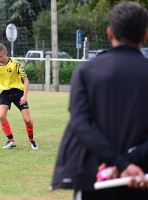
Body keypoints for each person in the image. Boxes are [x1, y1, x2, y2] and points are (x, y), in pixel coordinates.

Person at [51, 2, 148, 200]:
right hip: (140, 177)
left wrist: (119, 163)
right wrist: (129, 162)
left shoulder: (86, 72)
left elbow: (82, 125)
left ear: (110, 33)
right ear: (145, 36)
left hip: (95, 181)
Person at [0, 44, 38, 150]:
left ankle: (31, 140)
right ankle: (11, 140)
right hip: (4, 93)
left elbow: (26, 80)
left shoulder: (15, 64)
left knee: (27, 120)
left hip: (18, 93)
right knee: (1, 116)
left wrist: (24, 95)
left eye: (0, 56)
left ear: (6, 54)